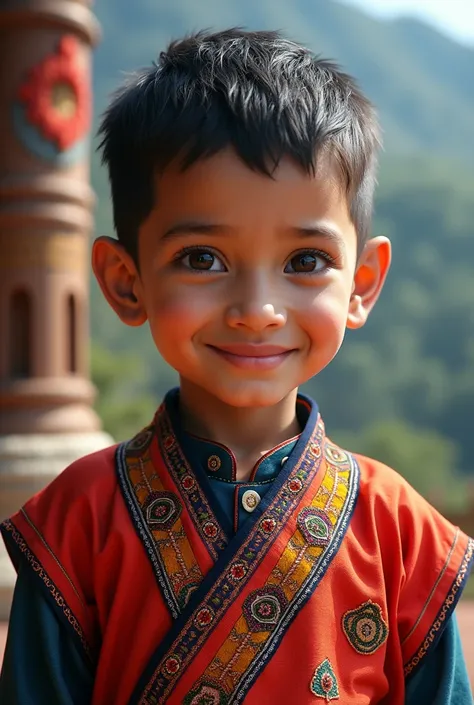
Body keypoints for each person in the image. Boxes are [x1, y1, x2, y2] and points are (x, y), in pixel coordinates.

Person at [0, 28, 472, 705]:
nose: (258, 309)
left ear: (363, 283)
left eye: (304, 262)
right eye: (202, 259)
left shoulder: (403, 532)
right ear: (125, 280)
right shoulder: (76, 520)